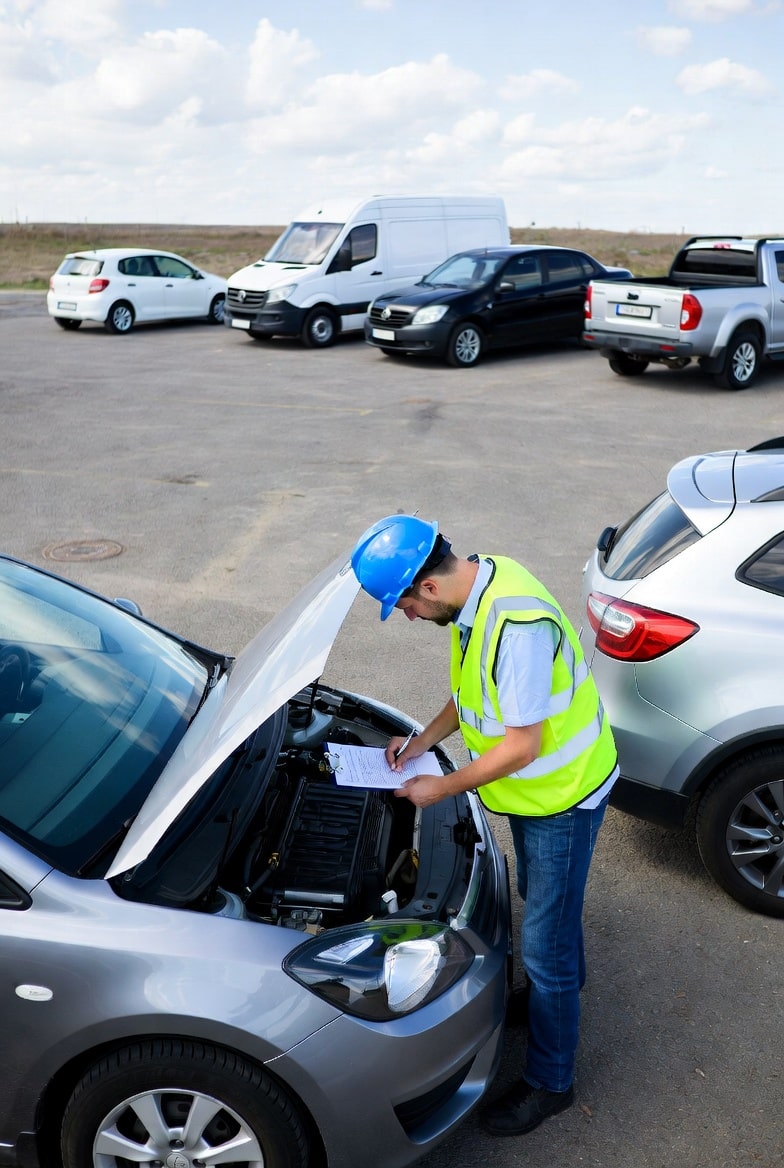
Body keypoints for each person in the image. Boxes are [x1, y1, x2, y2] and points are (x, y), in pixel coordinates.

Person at [350, 514, 618, 1138]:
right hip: (535, 796)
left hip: (561, 796)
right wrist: (422, 742)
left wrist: (440, 786)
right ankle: (556, 993)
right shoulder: (480, 588)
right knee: (544, 908)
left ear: (430, 588)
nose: (410, 618)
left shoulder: (514, 626)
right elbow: (470, 693)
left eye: (407, 607)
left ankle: (552, 1081)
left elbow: (522, 746)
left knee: (546, 942)